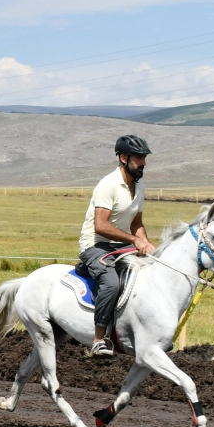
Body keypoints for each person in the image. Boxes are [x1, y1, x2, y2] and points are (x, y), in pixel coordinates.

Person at [78, 134, 154, 357]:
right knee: (111, 283)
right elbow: (101, 226)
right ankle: (98, 340)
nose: (143, 162)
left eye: (144, 157)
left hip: (120, 246)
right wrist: (133, 240)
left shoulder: (140, 187)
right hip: (95, 245)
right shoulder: (108, 185)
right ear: (123, 158)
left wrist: (147, 244)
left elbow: (137, 223)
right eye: (139, 157)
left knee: (149, 275)